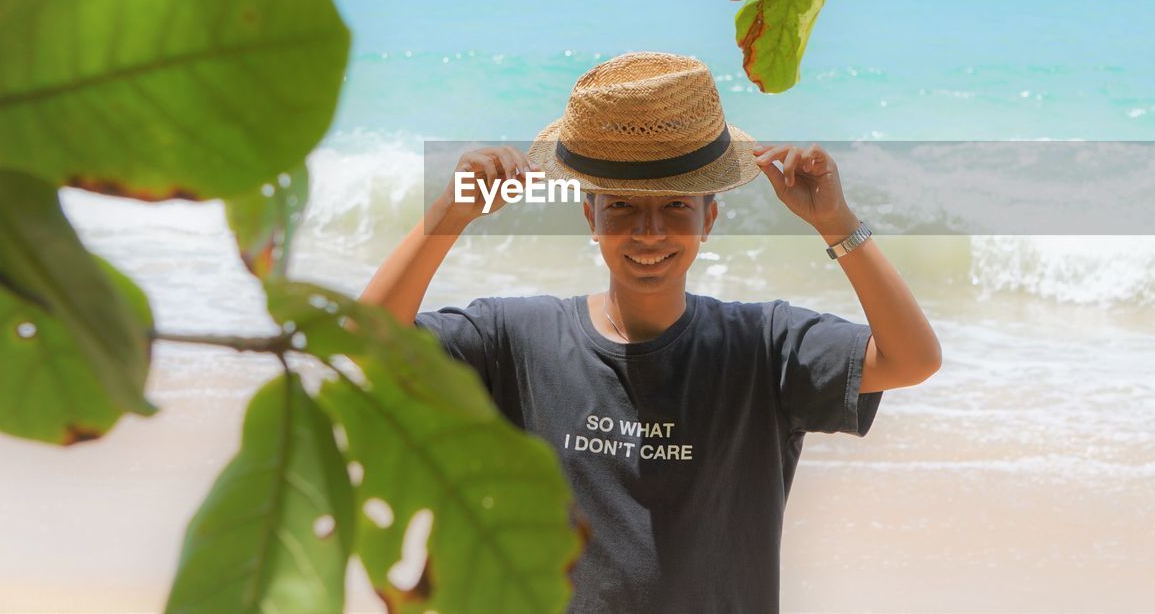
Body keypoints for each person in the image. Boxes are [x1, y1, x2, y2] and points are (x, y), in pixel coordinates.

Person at [359, 51, 942, 614]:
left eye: (674, 208)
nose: (649, 232)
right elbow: (366, 347)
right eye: (622, 208)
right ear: (589, 215)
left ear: (708, 219)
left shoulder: (763, 345)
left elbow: (912, 359)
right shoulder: (516, 340)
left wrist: (835, 222)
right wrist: (450, 213)